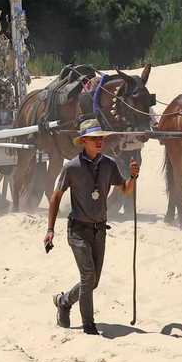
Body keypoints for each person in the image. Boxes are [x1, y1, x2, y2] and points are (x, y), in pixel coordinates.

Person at [47, 120, 140, 336]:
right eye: (94, 138)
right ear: (84, 141)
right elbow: (56, 196)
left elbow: (126, 189)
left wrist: (133, 176)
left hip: (100, 231)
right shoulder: (71, 167)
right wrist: (50, 229)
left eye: (101, 138)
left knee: (93, 282)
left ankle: (63, 301)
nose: (99, 141)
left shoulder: (109, 164)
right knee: (88, 278)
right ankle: (89, 325)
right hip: (78, 230)